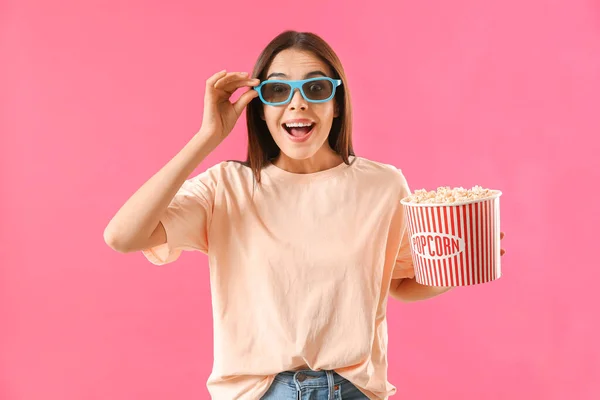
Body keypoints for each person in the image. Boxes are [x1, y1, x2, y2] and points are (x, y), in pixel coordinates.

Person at [104, 31, 505, 400]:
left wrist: (460, 266)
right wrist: (207, 137)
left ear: (336, 102)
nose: (298, 102)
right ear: (259, 108)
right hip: (258, 393)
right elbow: (123, 236)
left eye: (315, 87)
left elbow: (399, 283)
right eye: (278, 90)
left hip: (354, 390)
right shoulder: (226, 189)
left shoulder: (383, 185)